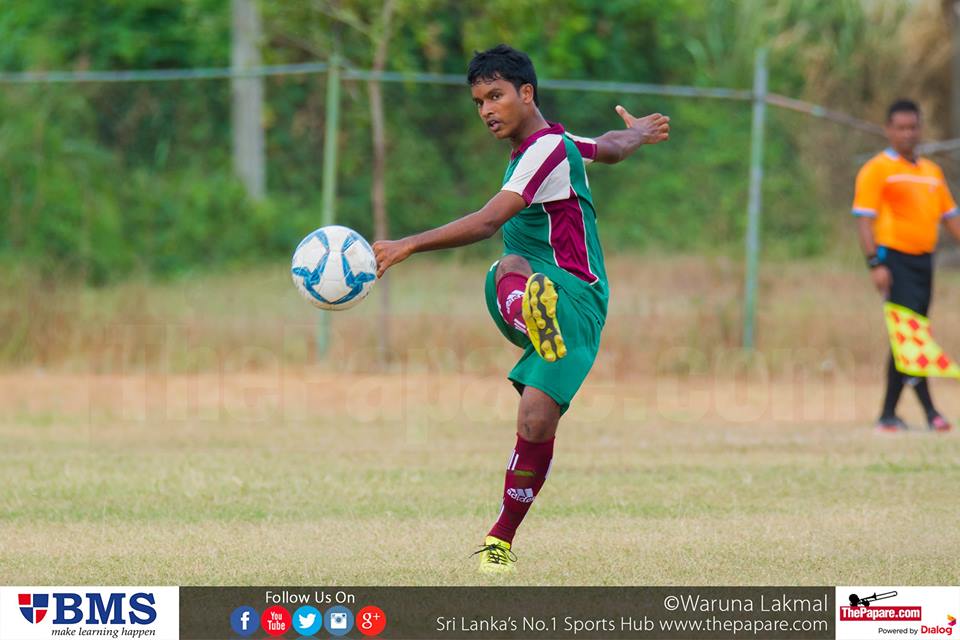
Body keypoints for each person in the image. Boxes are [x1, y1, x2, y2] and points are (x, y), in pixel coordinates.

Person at [372, 44, 669, 572]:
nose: (486, 109)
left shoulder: (545, 149)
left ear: (525, 93)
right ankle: (533, 313)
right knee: (510, 265)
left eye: (496, 96)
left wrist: (408, 244)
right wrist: (639, 135)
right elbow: (609, 146)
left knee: (534, 421)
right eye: (479, 102)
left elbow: (488, 219)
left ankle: (500, 539)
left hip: (577, 299)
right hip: (538, 293)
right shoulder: (554, 144)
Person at [852, 98, 960, 432]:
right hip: (893, 260)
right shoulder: (877, 169)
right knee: (911, 337)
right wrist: (875, 264)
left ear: (920, 129)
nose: (907, 134)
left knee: (908, 337)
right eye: (900, 128)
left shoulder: (931, 173)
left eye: (912, 127)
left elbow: (951, 218)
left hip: (923, 263)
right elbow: (864, 221)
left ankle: (887, 415)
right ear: (888, 130)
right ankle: (931, 412)